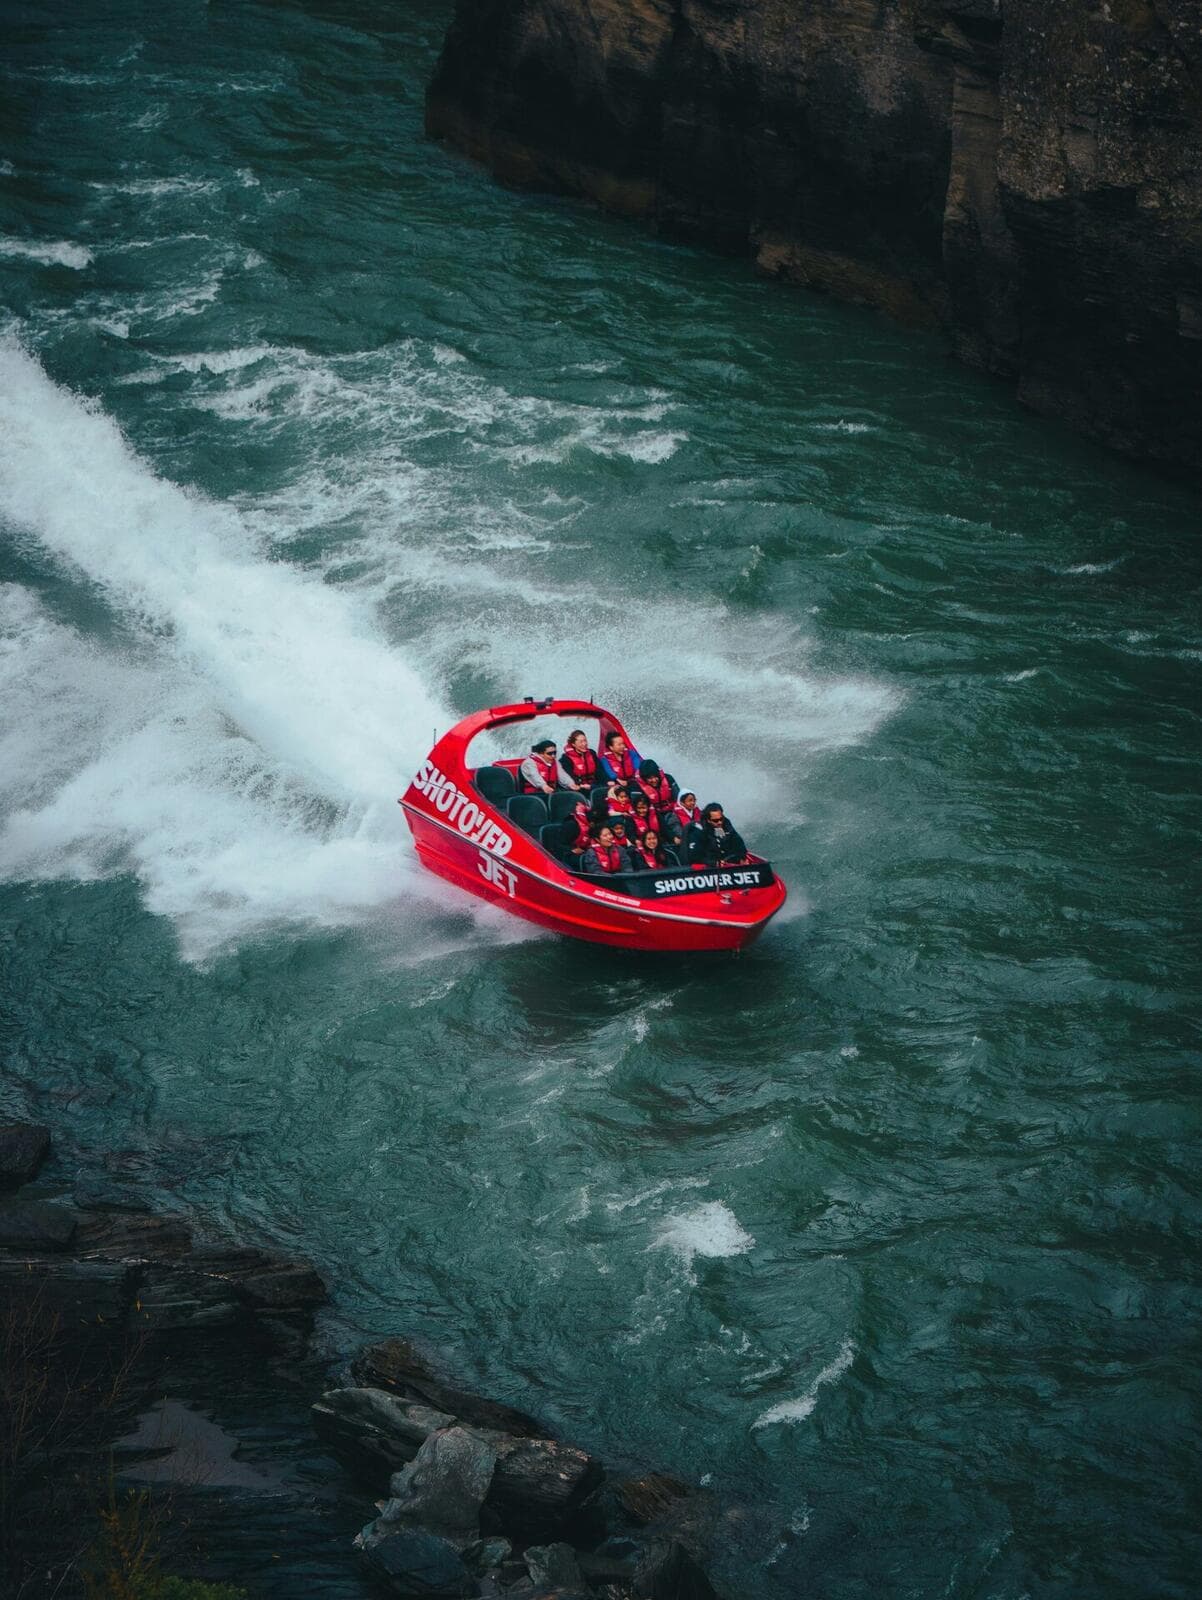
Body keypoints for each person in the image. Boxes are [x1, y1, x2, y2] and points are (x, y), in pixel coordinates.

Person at [689, 802, 749, 868]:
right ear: (708, 820)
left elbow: (738, 843)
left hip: (728, 864)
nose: (719, 822)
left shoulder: (723, 826)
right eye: (716, 820)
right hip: (710, 867)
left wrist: (742, 858)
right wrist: (713, 863)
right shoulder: (699, 831)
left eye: (721, 819)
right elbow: (694, 857)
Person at [660, 790, 700, 854]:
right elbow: (679, 832)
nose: (693, 803)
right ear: (681, 802)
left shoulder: (698, 812)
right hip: (683, 846)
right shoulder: (673, 816)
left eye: (694, 800)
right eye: (690, 800)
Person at [559, 795, 593, 859]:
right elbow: (560, 844)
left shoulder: (598, 825)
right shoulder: (571, 825)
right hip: (570, 853)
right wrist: (571, 850)